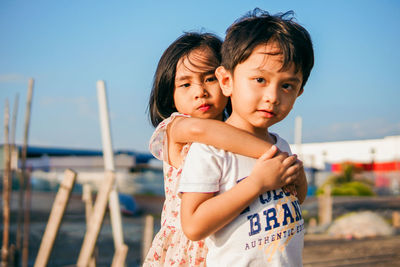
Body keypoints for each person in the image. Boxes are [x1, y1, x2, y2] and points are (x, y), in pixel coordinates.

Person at [144, 32, 303, 266]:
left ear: (227, 80)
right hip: (186, 249)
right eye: (186, 84)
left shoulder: (240, 136)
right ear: (170, 92)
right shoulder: (176, 128)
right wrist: (276, 158)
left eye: (209, 79)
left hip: (229, 243)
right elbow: (205, 132)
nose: (200, 91)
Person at [179, 9, 313, 266]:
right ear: (226, 81)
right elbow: (194, 225)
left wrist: (298, 174)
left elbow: (297, 197)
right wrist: (256, 184)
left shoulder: (279, 144)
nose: (273, 96)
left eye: (287, 85)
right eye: (260, 79)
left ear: (299, 92)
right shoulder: (210, 150)